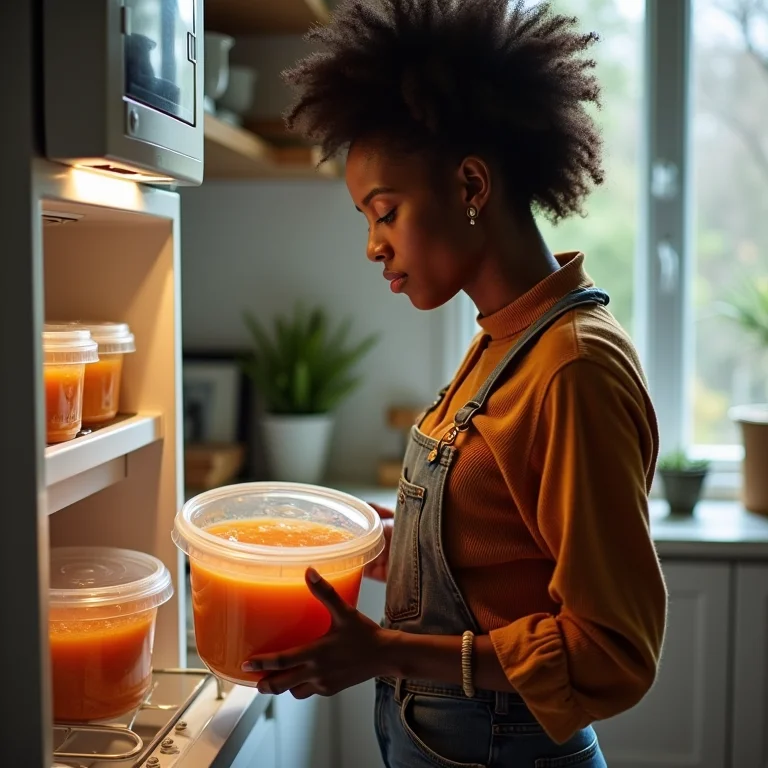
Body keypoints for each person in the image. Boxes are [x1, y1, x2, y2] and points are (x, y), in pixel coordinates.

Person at [242, 0, 668, 765]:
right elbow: (505, 550)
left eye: (385, 211)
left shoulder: (574, 368)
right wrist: (390, 543)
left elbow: (611, 651)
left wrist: (388, 651)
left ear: (471, 184)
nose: (373, 246)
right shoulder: (504, 342)